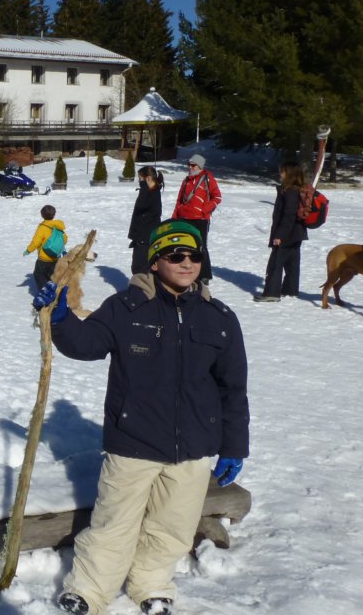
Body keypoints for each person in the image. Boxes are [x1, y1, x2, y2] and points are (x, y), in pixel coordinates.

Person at [34, 219, 249, 615]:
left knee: (173, 526)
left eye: (194, 255)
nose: (187, 263)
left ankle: (151, 584)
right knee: (113, 522)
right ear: (154, 262)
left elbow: (232, 389)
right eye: (175, 255)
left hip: (194, 448)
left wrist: (234, 446)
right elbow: (86, 344)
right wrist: (61, 318)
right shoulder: (125, 308)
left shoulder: (219, 318)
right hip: (133, 441)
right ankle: (89, 591)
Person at [256, 160, 308, 302]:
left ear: (290, 174)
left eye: (283, 171)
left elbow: (289, 215)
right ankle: (290, 291)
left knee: (275, 263)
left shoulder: (290, 191)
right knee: (292, 263)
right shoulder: (296, 190)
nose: (280, 173)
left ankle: (271, 293)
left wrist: (280, 235)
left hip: (288, 234)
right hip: (297, 233)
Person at [171, 154, 221, 283]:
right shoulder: (186, 180)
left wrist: (204, 210)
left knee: (201, 246)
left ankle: (204, 275)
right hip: (184, 218)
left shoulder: (207, 178)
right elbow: (179, 200)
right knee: (185, 246)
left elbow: (217, 197)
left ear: (200, 166)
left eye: (193, 165)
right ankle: (188, 272)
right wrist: (175, 216)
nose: (190, 167)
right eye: (189, 165)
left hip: (200, 219)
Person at [128, 166, 164, 275]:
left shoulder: (153, 192)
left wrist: (144, 186)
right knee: (137, 266)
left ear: (148, 178)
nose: (139, 182)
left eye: (140, 179)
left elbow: (141, 206)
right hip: (141, 236)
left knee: (140, 267)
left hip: (145, 237)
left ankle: (142, 284)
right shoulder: (149, 191)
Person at [24, 204, 68, 290]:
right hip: (55, 257)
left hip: (44, 258)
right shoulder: (57, 226)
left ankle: (45, 292)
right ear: (54, 215)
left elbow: (36, 241)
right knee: (52, 275)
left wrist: (28, 250)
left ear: (42, 215)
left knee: (39, 274)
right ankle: (56, 291)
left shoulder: (42, 227)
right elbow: (64, 239)